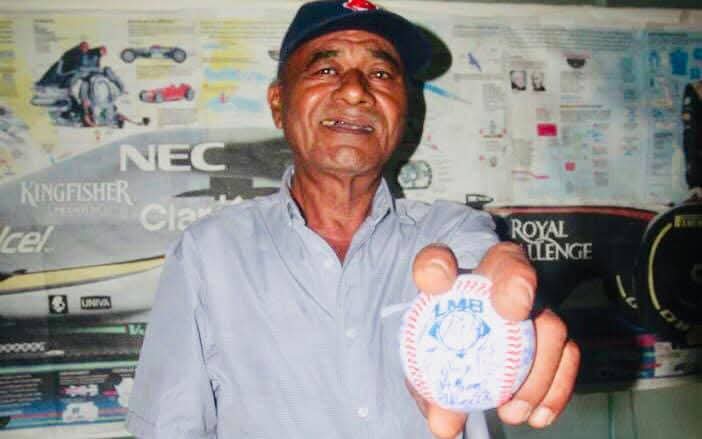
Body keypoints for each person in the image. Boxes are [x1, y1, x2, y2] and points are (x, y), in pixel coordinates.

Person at [126, 1, 579, 438]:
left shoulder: (451, 230)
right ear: (278, 103)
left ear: (403, 111)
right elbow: (172, 427)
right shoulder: (210, 253)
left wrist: (516, 315)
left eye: (381, 74)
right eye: (326, 70)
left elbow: (485, 274)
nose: (356, 90)